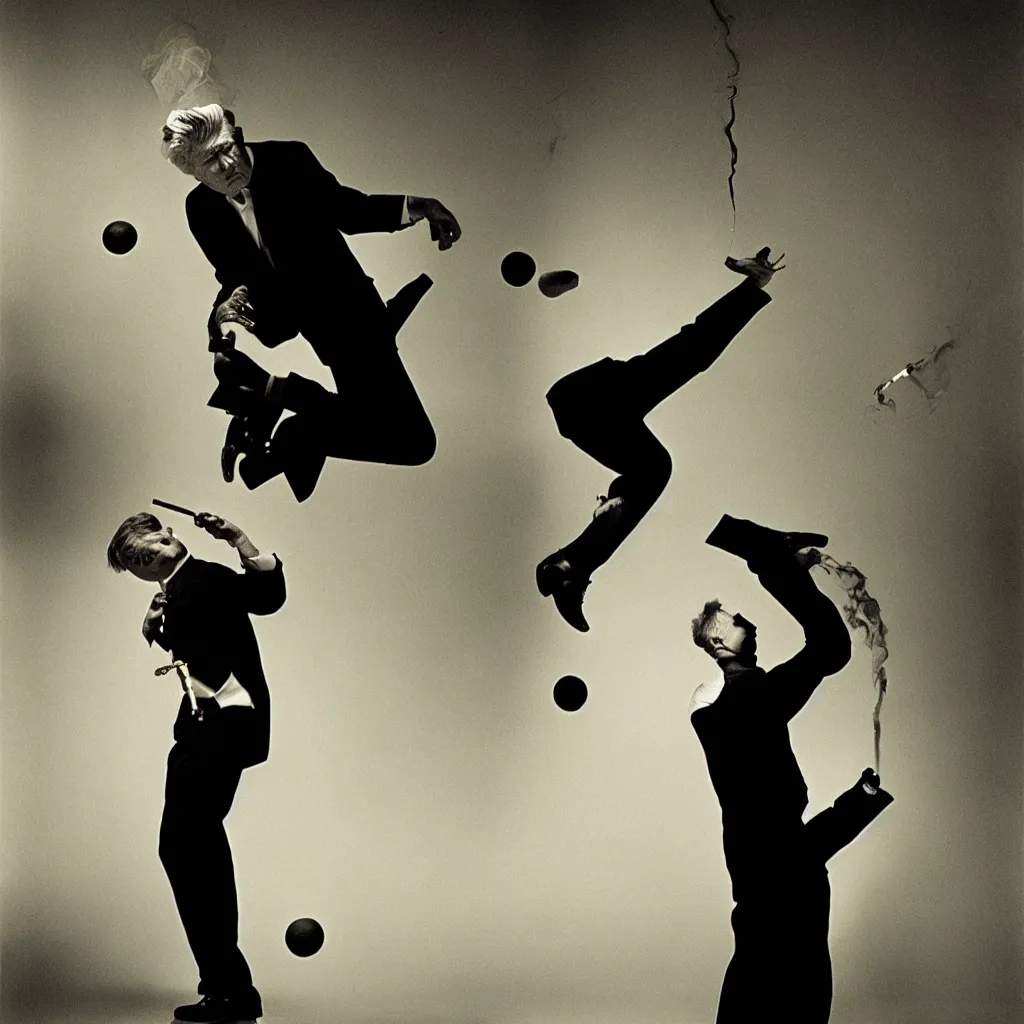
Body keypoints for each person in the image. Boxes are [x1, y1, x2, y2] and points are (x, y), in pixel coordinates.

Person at [161, 103, 462, 501]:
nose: (226, 165)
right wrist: (223, 313)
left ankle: (273, 400)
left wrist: (416, 206)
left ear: (238, 134)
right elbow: (231, 274)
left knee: (411, 442)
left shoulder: (288, 160)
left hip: (350, 312)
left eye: (226, 149)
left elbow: (348, 209)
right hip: (289, 321)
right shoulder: (199, 208)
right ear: (193, 173)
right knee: (403, 438)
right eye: (208, 163)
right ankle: (271, 398)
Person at [689, 514, 894, 1023]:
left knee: (783, 993)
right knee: (831, 648)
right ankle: (763, 552)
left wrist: (858, 804)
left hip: (786, 883)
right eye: (738, 622)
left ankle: (765, 553)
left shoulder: (741, 716)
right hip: (784, 886)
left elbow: (798, 850)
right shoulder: (727, 702)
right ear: (716, 644)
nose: (751, 625)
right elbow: (795, 853)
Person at [535, 248, 784, 632]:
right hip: (587, 397)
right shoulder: (626, 389)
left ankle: (572, 563)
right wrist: (753, 285)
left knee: (654, 467)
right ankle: (597, 530)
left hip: (584, 412)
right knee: (687, 358)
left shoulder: (623, 401)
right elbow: (695, 345)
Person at [107, 509, 286, 1024]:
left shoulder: (205, 575)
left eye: (149, 545)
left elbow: (265, 599)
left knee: (187, 842)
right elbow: (202, 640)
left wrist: (241, 540)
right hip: (200, 729)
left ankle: (229, 990)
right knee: (185, 844)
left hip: (225, 723)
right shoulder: (175, 593)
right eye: (135, 559)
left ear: (170, 535)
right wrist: (154, 629)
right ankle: (228, 988)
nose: (146, 557)